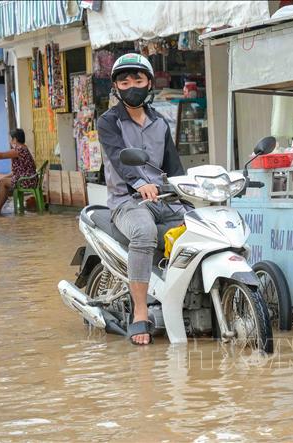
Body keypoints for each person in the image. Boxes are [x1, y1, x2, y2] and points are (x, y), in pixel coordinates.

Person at [97, 53, 185, 345]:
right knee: (144, 232)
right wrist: (139, 183)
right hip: (126, 201)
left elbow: (174, 167)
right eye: (124, 81)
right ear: (116, 87)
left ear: (149, 82)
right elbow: (119, 159)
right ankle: (140, 311)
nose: (132, 85)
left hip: (163, 200)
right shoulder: (108, 122)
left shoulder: (161, 122)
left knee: (199, 226)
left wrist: (189, 193)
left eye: (138, 79)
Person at [0, 128, 37, 216]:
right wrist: (4, 177)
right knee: (1, 180)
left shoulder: (18, 150)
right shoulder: (24, 147)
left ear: (15, 139)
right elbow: (15, 172)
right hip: (28, 178)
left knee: (2, 183)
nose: (10, 141)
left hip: (27, 180)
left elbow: (1, 155)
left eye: (11, 138)